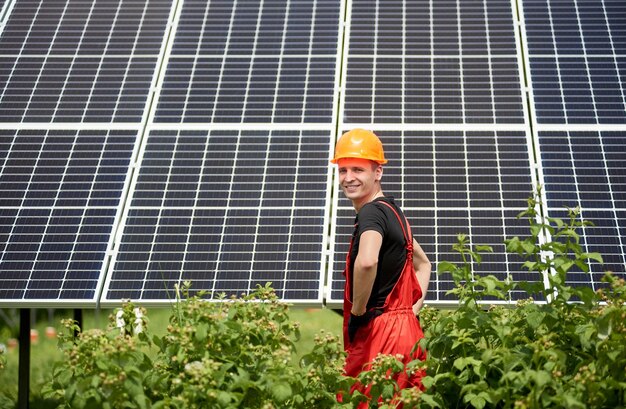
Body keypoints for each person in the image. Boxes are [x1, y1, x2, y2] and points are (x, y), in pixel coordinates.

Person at [331, 128, 431, 403]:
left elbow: (367, 261)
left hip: (380, 334)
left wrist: (360, 310)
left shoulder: (372, 214)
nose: (348, 178)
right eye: (343, 170)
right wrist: (410, 312)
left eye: (358, 170)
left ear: (377, 172)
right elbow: (424, 265)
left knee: (370, 400)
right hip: (408, 333)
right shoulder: (393, 212)